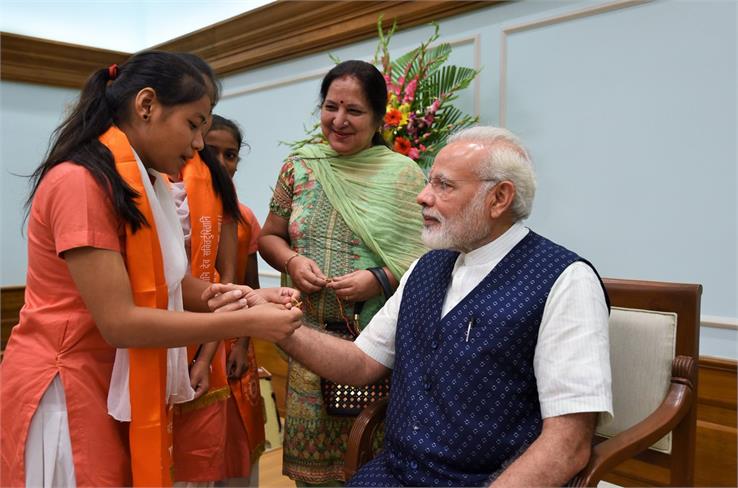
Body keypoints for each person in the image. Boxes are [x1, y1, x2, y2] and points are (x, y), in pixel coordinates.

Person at [0, 51, 302, 487]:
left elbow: (173, 286)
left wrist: (249, 297)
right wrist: (245, 321)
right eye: (194, 124)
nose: (200, 144)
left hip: (114, 381)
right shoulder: (80, 182)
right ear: (146, 106)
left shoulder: (148, 183)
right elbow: (121, 323)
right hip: (69, 386)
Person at [257, 126, 613, 486]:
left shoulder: (566, 280)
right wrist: (281, 327)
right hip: (391, 475)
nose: (422, 197)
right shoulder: (426, 266)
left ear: (499, 198)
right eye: (429, 183)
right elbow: (361, 363)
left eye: (444, 185)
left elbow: (568, 443)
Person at [258, 60, 427, 485]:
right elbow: (269, 238)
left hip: (376, 347)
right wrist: (293, 262)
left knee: (376, 461)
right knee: (311, 474)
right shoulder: (299, 166)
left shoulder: (404, 175)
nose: (339, 120)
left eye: (353, 111)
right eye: (330, 107)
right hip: (308, 336)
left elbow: (429, 258)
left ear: (377, 118)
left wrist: (380, 278)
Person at [204, 114, 266, 486]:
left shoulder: (243, 218)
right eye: (214, 152)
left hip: (234, 343)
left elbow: (251, 287)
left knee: (237, 441)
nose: (224, 163)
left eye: (232, 155)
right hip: (187, 340)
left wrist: (242, 345)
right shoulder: (175, 210)